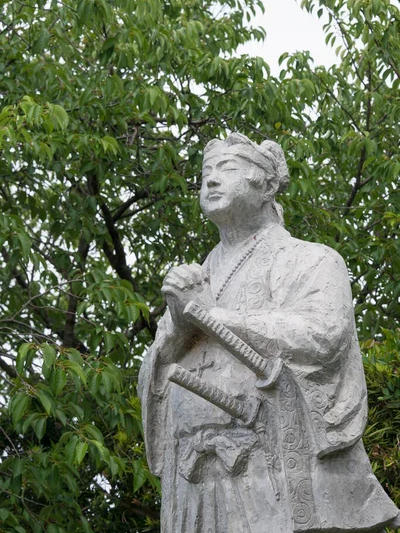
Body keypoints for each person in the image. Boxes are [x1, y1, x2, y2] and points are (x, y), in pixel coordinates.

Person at [138, 133, 399, 533]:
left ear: (268, 185)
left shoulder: (310, 260)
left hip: (269, 462)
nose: (209, 180)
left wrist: (215, 316)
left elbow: (322, 333)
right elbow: (156, 369)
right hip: (193, 473)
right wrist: (177, 327)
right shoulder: (195, 279)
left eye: (226, 169)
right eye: (206, 171)